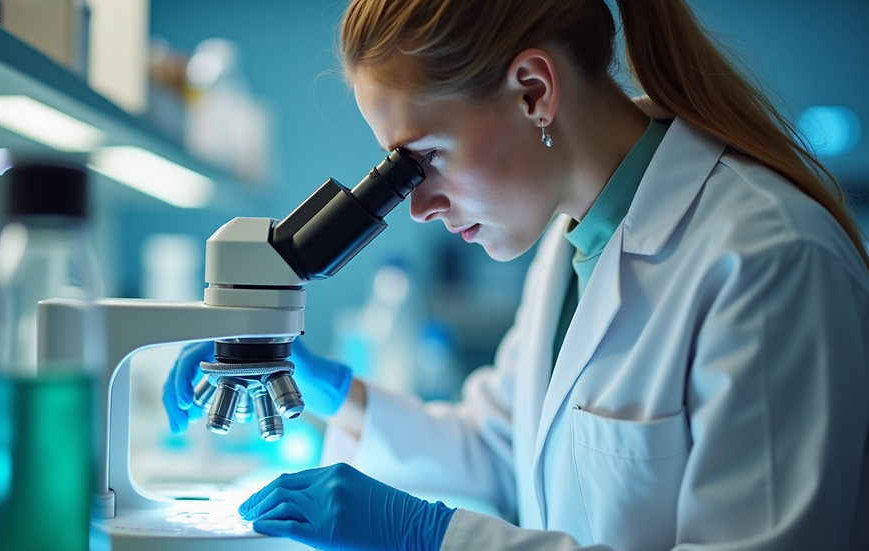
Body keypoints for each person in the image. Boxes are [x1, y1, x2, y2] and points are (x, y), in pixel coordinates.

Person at [163, 0, 869, 549]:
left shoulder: (770, 259)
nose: (418, 205)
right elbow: (503, 450)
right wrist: (333, 393)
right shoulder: (571, 242)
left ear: (533, 91)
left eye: (424, 157)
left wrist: (432, 536)